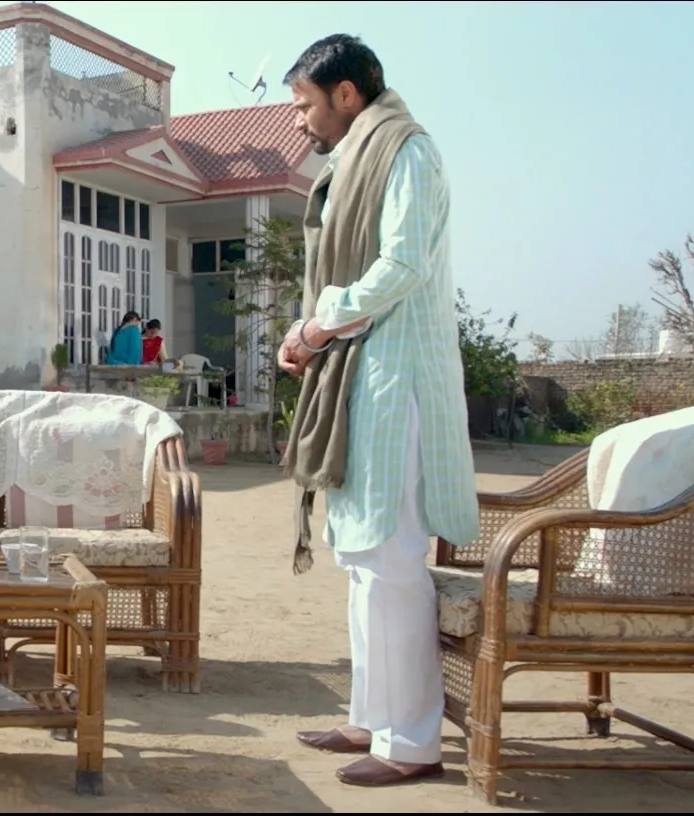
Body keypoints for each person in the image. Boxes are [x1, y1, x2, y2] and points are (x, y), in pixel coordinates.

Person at [274, 34, 480, 788]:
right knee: (362, 558)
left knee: (391, 561)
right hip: (362, 376)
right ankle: (371, 717)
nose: (299, 119)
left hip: (398, 381)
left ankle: (411, 742)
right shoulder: (355, 161)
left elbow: (402, 265)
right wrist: (314, 334)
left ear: (346, 94)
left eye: (305, 104)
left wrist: (317, 325)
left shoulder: (407, 152)